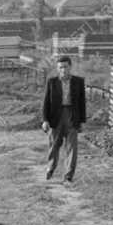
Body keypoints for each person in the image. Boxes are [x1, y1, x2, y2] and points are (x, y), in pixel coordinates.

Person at [41, 54, 86, 185]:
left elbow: (82, 102)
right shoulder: (51, 82)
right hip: (56, 116)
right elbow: (45, 103)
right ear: (57, 68)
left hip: (72, 116)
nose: (63, 70)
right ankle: (51, 167)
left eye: (65, 67)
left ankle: (68, 176)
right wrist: (45, 120)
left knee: (72, 147)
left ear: (70, 67)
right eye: (60, 67)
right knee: (54, 145)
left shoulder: (78, 81)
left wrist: (82, 121)